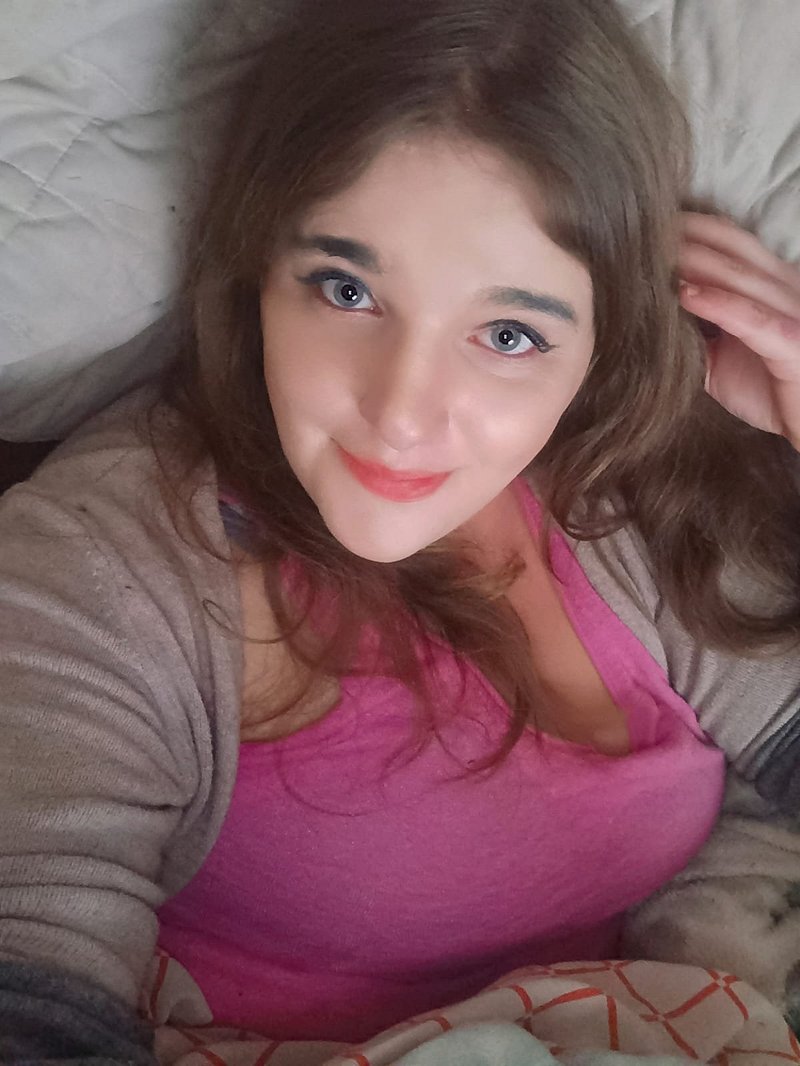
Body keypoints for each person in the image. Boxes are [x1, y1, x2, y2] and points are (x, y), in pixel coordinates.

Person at [1, 0, 800, 1060]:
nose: (402, 413)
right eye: (346, 290)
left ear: (606, 340)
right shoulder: (101, 564)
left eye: (508, 333)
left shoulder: (636, 492)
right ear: (258, 272)